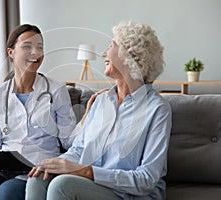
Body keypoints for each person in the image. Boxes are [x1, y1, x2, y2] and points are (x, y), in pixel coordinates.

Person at [27, 21, 172, 200]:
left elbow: (146, 179)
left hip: (131, 195)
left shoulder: (157, 109)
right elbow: (79, 149)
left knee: (62, 185)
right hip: (95, 186)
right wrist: (56, 163)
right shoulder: (101, 101)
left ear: (131, 56)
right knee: (37, 178)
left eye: (111, 46)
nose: (104, 53)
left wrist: (85, 171)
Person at [0, 24, 77, 200]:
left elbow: (69, 140)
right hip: (0, 167)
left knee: (6, 192)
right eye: (27, 46)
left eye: (39, 47)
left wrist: (87, 120)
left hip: (36, 167)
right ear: (11, 52)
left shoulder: (56, 90)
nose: (35, 52)